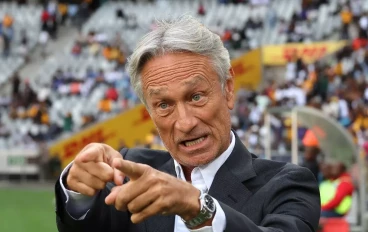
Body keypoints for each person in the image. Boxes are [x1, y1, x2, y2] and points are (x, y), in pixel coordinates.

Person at [55, 16, 320, 232]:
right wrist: (78, 189)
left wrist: (198, 207)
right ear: (149, 111)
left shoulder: (287, 184)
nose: (185, 123)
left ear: (228, 89)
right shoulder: (130, 171)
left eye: (196, 97)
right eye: (164, 105)